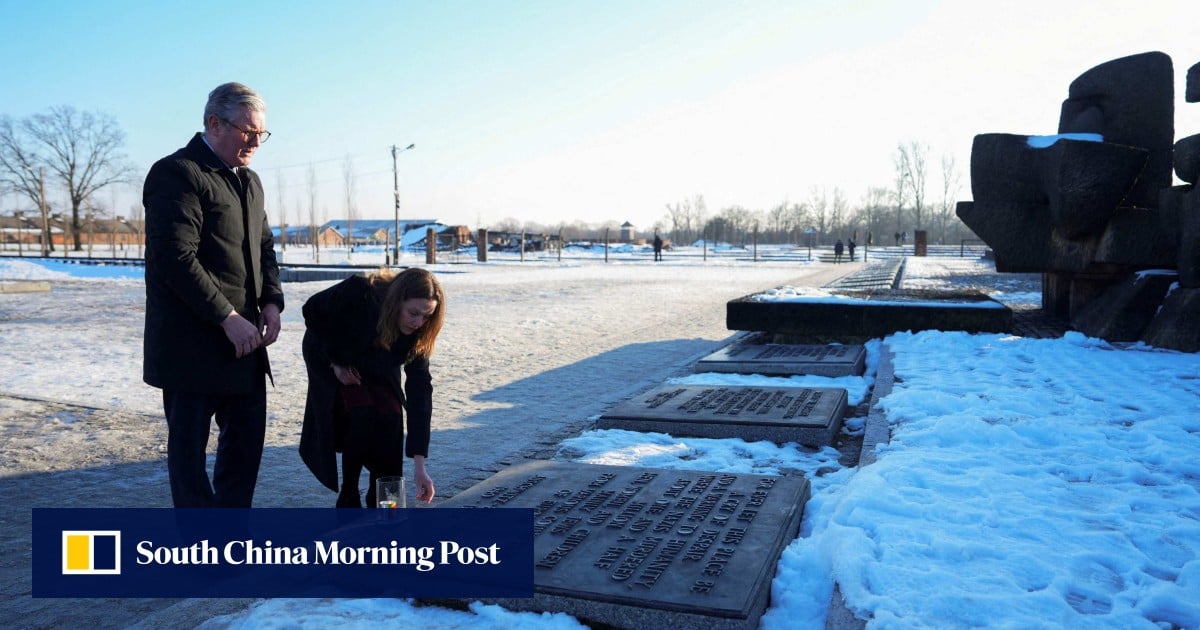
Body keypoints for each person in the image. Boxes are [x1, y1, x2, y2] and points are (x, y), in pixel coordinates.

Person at [142, 82, 283, 508]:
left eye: (262, 133)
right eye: (248, 131)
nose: (256, 142)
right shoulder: (178, 173)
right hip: (193, 346)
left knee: (244, 454)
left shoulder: (250, 181)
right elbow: (173, 257)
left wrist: (272, 302)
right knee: (190, 462)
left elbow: (263, 248)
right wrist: (226, 315)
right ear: (213, 123)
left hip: (245, 346)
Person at [299, 267, 444, 508]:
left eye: (427, 316)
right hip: (333, 353)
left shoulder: (419, 334)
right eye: (413, 313)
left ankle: (387, 503)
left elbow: (420, 395)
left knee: (391, 415)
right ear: (396, 302)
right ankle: (349, 495)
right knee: (361, 410)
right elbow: (312, 310)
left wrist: (420, 467)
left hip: (378, 361)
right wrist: (335, 362)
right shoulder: (361, 292)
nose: (419, 322)